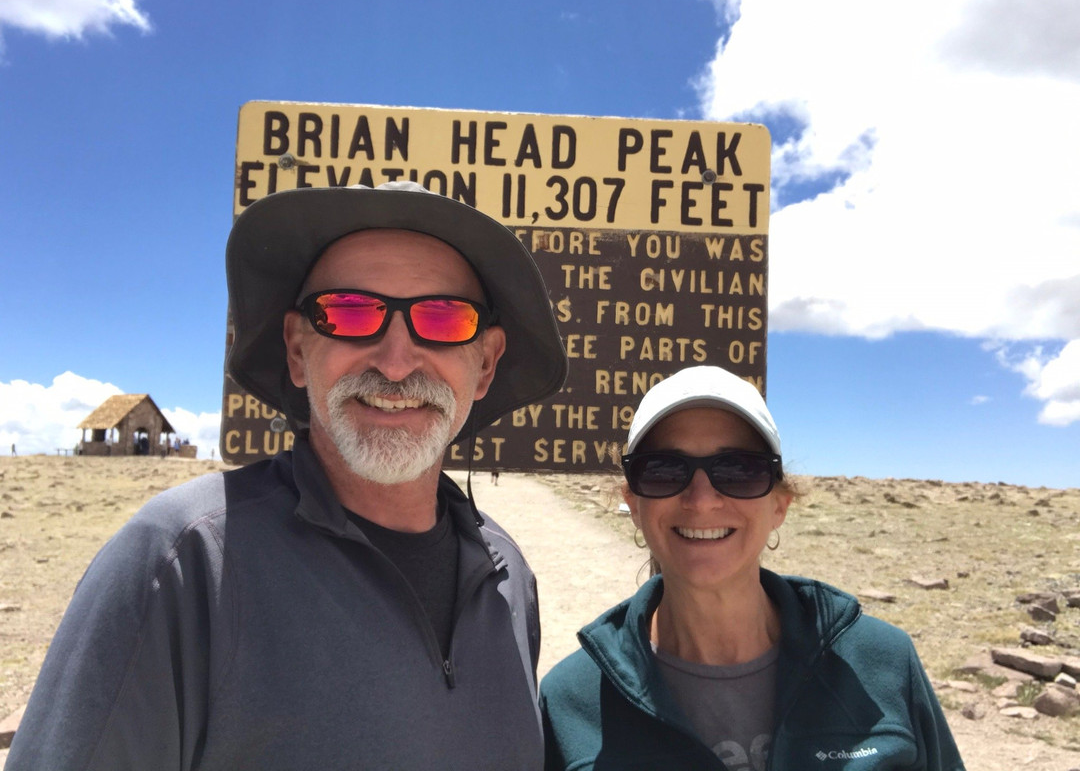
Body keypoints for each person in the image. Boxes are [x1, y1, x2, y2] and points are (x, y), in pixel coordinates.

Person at [7, 181, 568, 770]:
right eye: (349, 313)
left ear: (485, 365)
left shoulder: (508, 576)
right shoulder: (183, 564)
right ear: (298, 351)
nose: (396, 361)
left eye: (445, 318)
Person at [540, 365, 965, 771]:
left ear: (779, 505)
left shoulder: (883, 662)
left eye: (739, 470)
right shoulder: (570, 700)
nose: (701, 499)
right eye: (665, 470)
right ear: (633, 504)